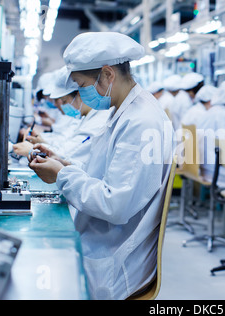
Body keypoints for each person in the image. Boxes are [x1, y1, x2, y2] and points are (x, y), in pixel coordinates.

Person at [28, 32, 175, 300]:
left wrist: (62, 175)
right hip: (105, 240)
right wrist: (64, 162)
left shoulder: (141, 121)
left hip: (114, 259)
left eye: (82, 84)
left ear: (108, 75)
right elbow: (107, 169)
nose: (82, 94)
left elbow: (114, 204)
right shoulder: (124, 110)